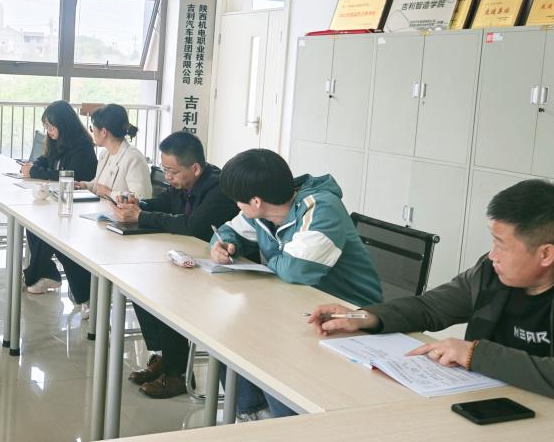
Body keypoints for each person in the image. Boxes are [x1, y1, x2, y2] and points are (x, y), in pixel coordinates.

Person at [309, 179, 554, 400]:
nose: (492, 255)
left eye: (501, 245)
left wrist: (475, 354)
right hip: (489, 402)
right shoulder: (490, 274)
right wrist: (364, 317)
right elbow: (430, 307)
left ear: (546, 254)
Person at [211, 148, 382, 419]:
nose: (237, 206)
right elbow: (228, 231)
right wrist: (223, 244)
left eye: (238, 201)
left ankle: (284, 424)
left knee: (268, 352)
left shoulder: (321, 208)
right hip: (295, 307)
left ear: (256, 201)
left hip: (348, 316)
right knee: (228, 336)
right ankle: (254, 413)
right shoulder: (264, 212)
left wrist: (275, 260)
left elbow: (298, 270)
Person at [114, 131, 239, 398]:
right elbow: (164, 203)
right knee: (141, 285)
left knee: (167, 294)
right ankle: (164, 355)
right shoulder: (184, 183)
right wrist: (139, 204)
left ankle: (177, 374)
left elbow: (193, 226)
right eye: (165, 170)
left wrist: (141, 216)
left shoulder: (219, 190)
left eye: (172, 172)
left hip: (219, 271)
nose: (167, 177)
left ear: (195, 168)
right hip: (189, 260)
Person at [21, 101, 98, 310]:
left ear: (64, 124)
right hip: (62, 201)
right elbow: (44, 160)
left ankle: (33, 275)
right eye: (46, 126)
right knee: (33, 223)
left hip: (80, 206)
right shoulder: (57, 141)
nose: (49, 131)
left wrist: (35, 172)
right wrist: (34, 166)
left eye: (51, 126)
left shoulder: (82, 147)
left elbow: (69, 176)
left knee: (51, 231)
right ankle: (47, 274)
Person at [80, 104, 152, 201]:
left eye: (92, 129)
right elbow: (99, 186)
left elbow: (141, 197)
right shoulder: (105, 153)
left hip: (116, 211)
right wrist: (84, 185)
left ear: (103, 132)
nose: (92, 133)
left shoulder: (134, 158)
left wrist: (109, 193)